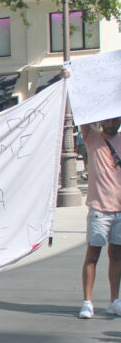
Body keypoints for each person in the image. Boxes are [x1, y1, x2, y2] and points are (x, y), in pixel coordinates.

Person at [78, 117, 121, 319]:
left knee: (117, 257)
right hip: (99, 210)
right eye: (109, 120)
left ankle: (115, 301)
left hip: (120, 211)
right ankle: (87, 302)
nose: (113, 123)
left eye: (117, 119)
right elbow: (84, 116)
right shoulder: (92, 137)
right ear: (102, 121)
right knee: (92, 257)